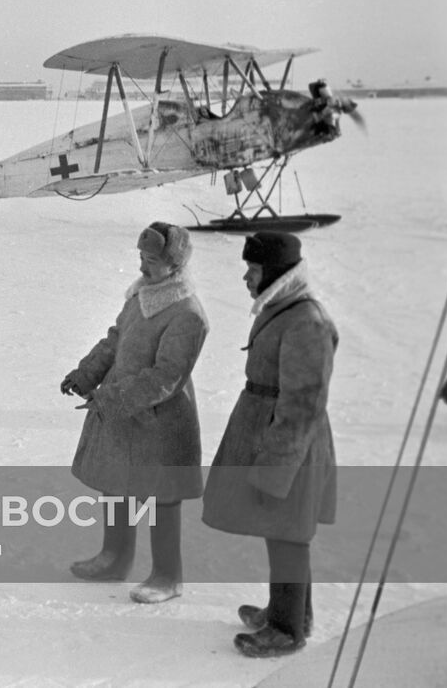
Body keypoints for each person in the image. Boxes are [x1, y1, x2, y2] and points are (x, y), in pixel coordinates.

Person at [202, 232, 338, 659]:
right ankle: (293, 612)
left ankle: (286, 629)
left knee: (288, 535)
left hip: (290, 445)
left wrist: (275, 469)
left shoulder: (305, 322)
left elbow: (302, 405)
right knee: (283, 531)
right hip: (270, 432)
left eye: (254, 269)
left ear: (275, 273)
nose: (246, 277)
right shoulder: (284, 307)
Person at [60, 221, 208, 603]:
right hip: (124, 411)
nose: (143, 267)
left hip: (161, 420)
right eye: (141, 258)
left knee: (160, 497)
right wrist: (86, 372)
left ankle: (167, 576)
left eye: (152, 261)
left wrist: (110, 398)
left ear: (175, 265)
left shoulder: (187, 314)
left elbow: (166, 376)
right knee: (116, 486)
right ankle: (115, 558)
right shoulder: (142, 296)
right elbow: (115, 340)